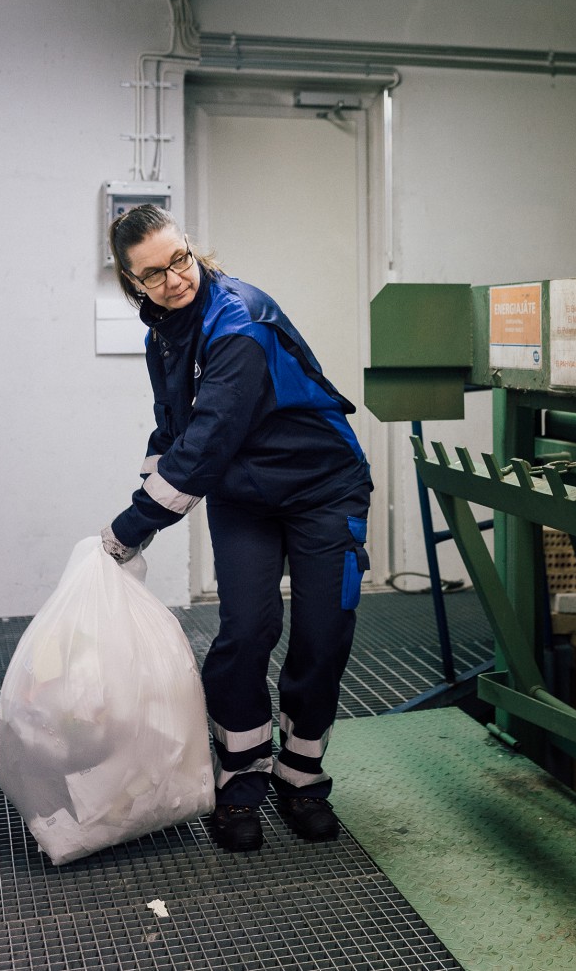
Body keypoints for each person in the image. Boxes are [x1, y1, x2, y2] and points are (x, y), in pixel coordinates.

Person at [101, 204, 373, 853]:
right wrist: (144, 502)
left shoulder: (240, 323)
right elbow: (175, 430)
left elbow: (206, 445)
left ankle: (301, 776)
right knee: (246, 630)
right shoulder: (163, 335)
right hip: (243, 496)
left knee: (323, 633)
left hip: (323, 488)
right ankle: (241, 777)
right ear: (132, 282)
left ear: (191, 247)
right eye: (154, 273)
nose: (174, 279)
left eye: (180, 259)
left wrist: (128, 529)